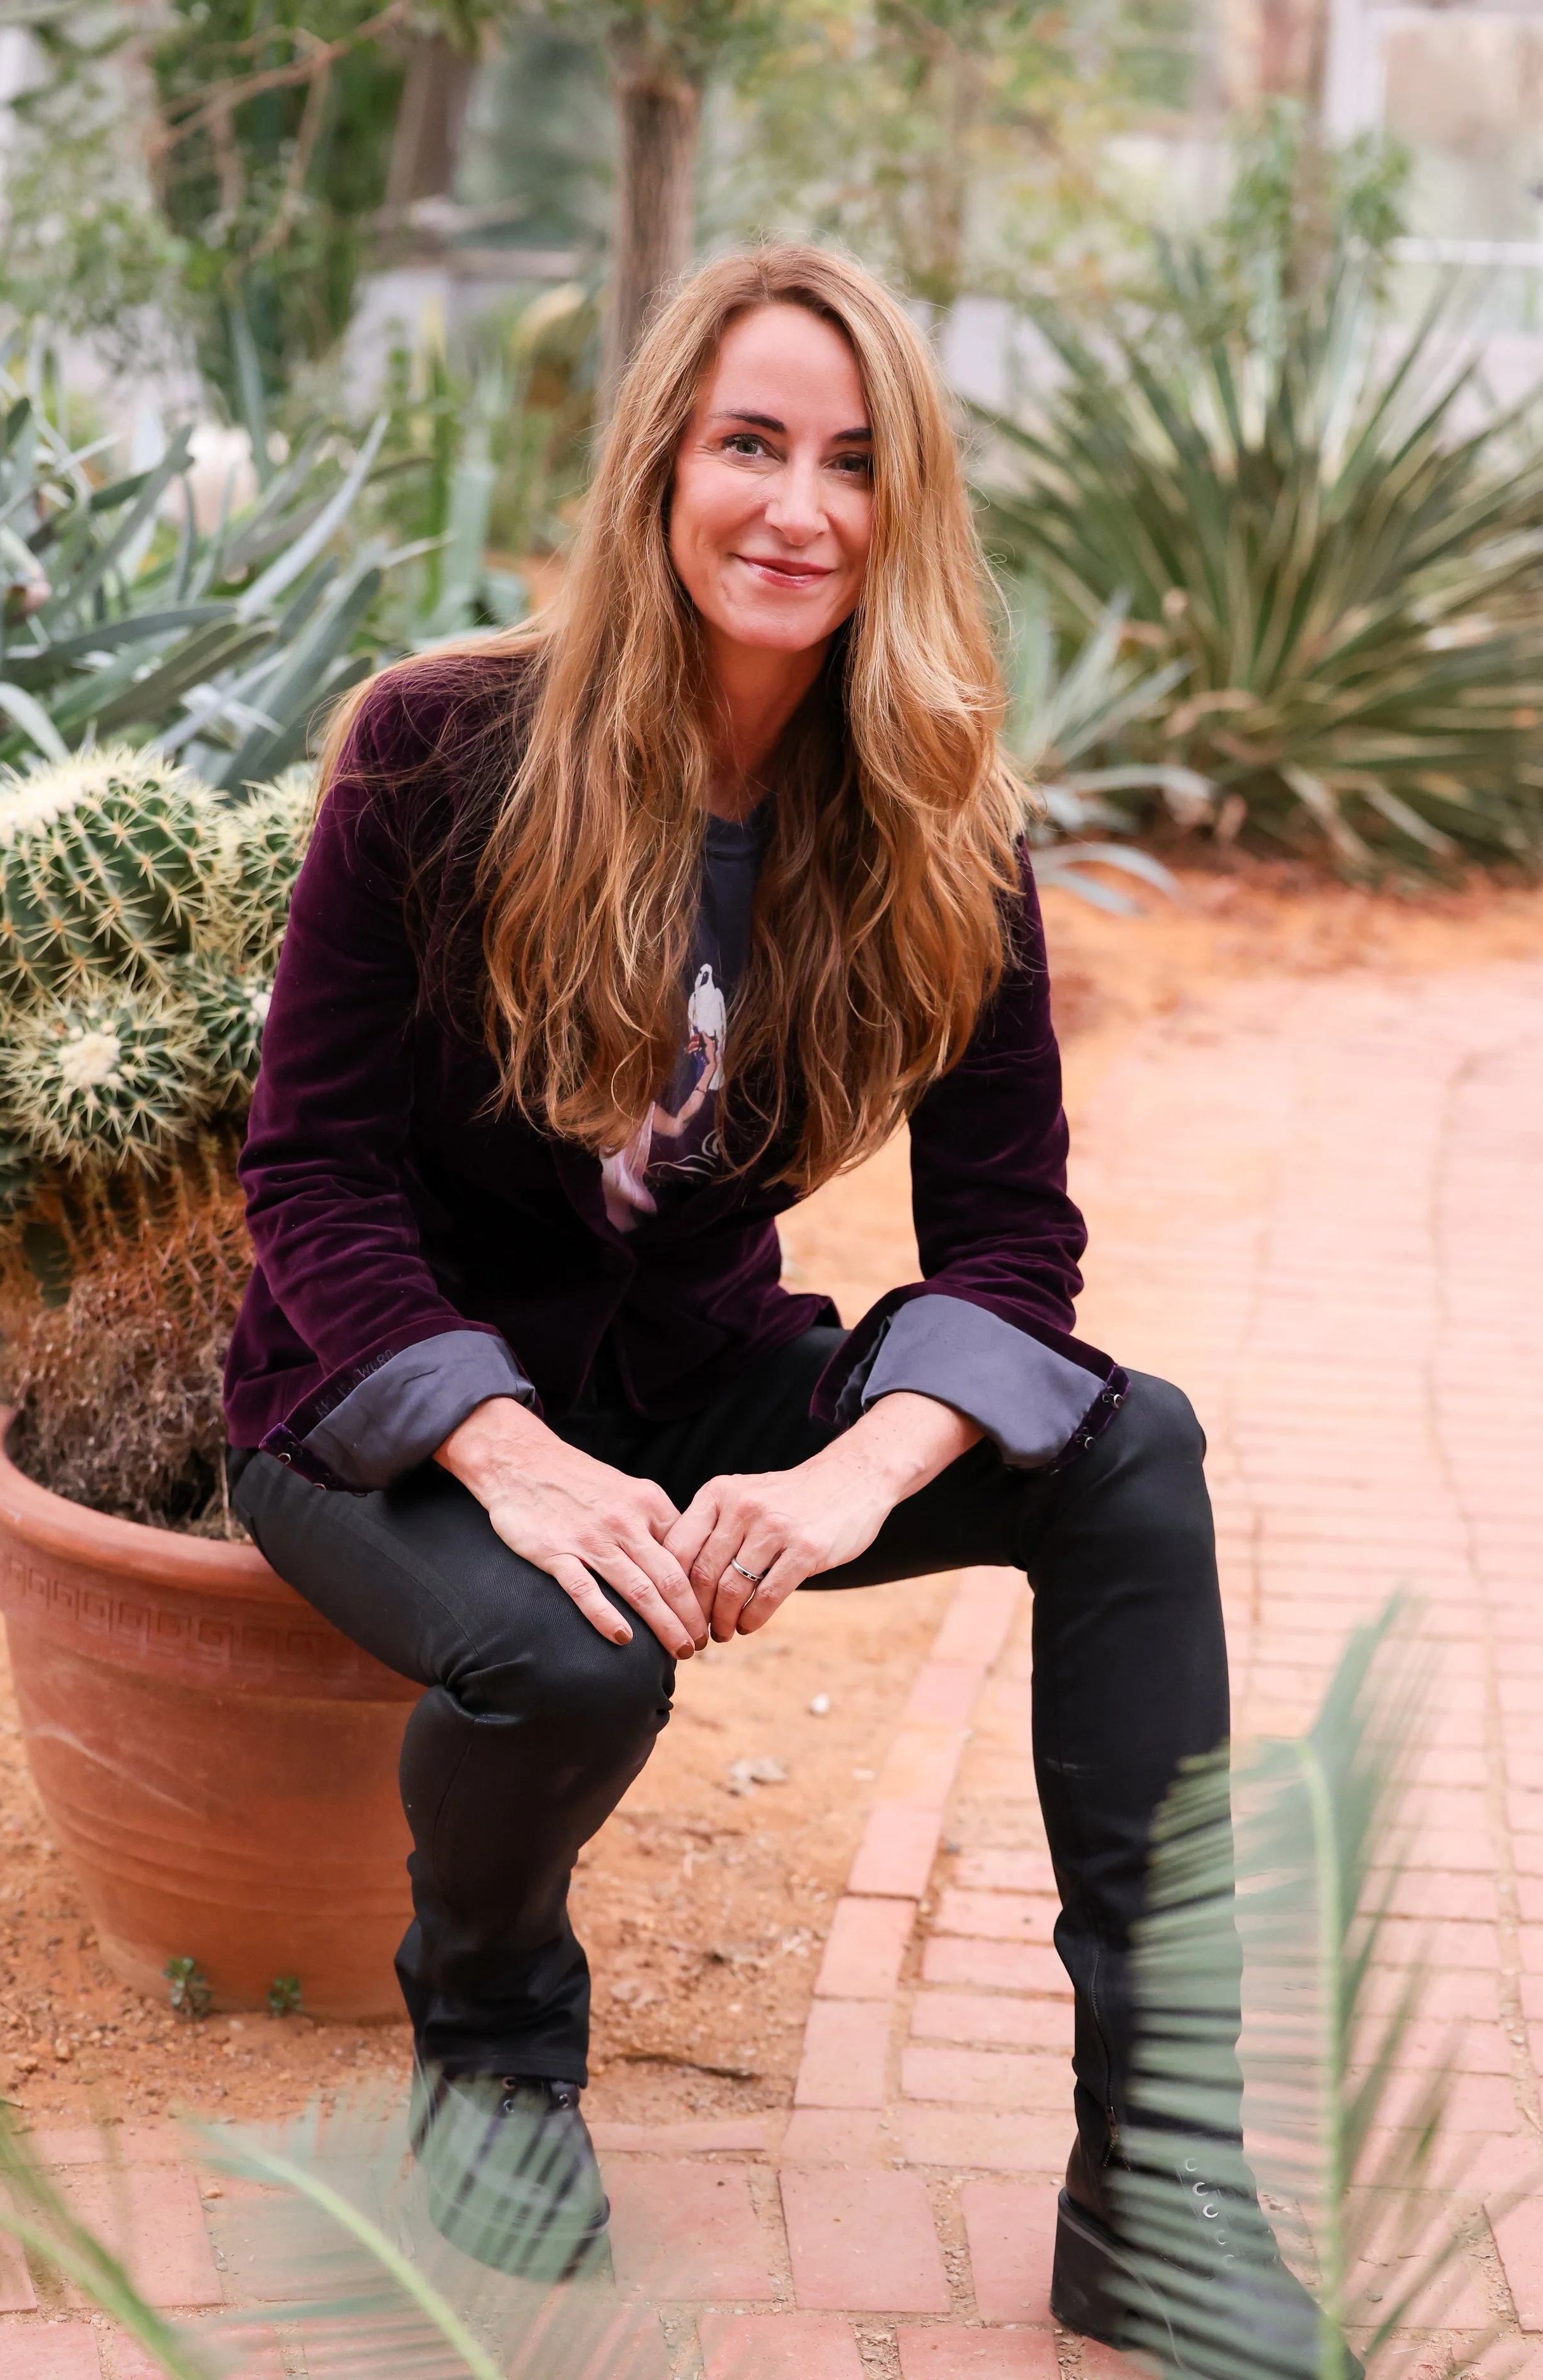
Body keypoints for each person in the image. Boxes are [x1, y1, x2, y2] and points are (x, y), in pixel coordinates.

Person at [223, 243, 1335, 2363]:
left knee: (1137, 1458)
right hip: (371, 1413)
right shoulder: (436, 748)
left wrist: (854, 1477)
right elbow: (318, 1173)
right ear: (662, 465)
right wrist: (511, 1452)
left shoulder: (930, 807)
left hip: (698, 1376)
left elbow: (1012, 1232)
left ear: (900, 513)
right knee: (571, 1660)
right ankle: (490, 2054)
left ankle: (1161, 2172)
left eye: (851, 463)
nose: (794, 508)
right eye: (748, 443)